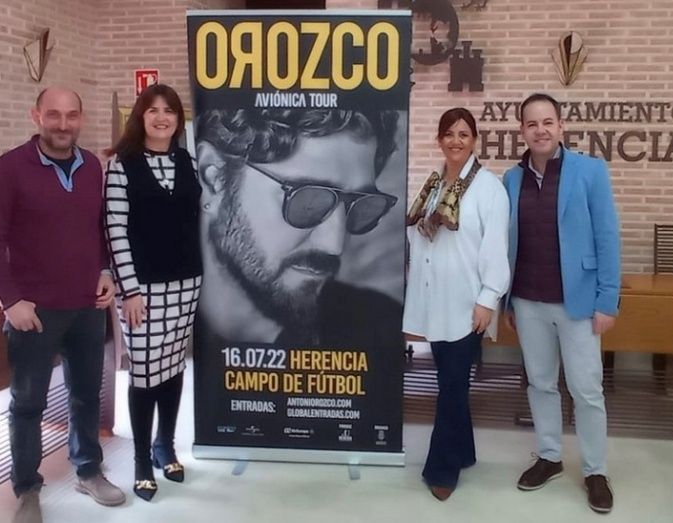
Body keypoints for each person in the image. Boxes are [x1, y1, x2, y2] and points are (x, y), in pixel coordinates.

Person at [0, 86, 125, 523]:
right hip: (33, 312)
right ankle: (27, 489)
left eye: (71, 115)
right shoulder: (9, 169)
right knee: (28, 404)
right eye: (54, 115)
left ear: (81, 118)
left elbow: (99, 229)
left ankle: (88, 470)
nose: (63, 124)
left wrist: (105, 270)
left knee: (85, 396)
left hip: (86, 306)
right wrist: (10, 300)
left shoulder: (92, 166)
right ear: (36, 116)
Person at [195, 108, 403, 349]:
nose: (334, 245)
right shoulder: (165, 323)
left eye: (359, 204)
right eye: (307, 201)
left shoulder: (381, 335)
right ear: (215, 180)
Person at [502, 93, 620, 514]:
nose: (541, 130)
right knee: (540, 383)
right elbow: (507, 242)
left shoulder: (589, 171)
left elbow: (607, 236)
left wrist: (608, 300)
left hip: (579, 303)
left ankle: (595, 470)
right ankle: (550, 457)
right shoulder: (511, 179)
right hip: (527, 301)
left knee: (586, 389)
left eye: (548, 122)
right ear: (522, 130)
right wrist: (506, 301)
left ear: (560, 126)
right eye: (532, 124)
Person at [403, 108, 510, 501]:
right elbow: (419, 239)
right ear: (439, 140)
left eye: (464, 134)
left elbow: (496, 249)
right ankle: (463, 452)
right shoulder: (432, 185)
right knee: (451, 382)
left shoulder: (488, 189)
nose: (456, 141)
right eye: (449, 134)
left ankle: (442, 469)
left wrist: (488, 299)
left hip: (468, 304)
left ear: (475, 140)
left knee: (451, 385)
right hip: (435, 300)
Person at [103, 84, 202, 501]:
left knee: (173, 366)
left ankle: (166, 446)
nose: (162, 118)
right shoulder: (121, 165)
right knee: (144, 372)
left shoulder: (188, 161)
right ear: (140, 117)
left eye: (170, 111)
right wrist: (129, 290)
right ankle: (142, 461)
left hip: (186, 283)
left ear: (179, 119)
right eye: (153, 111)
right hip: (140, 289)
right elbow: (115, 231)